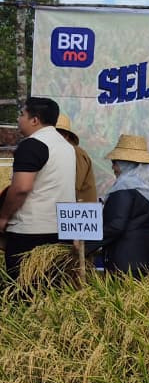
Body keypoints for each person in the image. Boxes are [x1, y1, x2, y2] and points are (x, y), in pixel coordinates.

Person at [0, 97, 75, 283]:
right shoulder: (66, 147)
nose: (19, 119)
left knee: (24, 294)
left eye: (22, 114)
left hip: (30, 233)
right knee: (52, 293)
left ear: (35, 120)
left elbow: (21, 188)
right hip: (61, 232)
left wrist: (3, 217)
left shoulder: (32, 144)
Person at [91, 134, 149, 276]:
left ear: (126, 164)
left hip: (127, 264)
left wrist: (85, 246)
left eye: (115, 162)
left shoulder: (124, 189)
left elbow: (116, 226)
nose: (112, 167)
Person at [56, 113, 98, 203]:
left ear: (66, 135)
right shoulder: (65, 151)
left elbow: (74, 185)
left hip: (80, 210)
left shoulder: (75, 153)